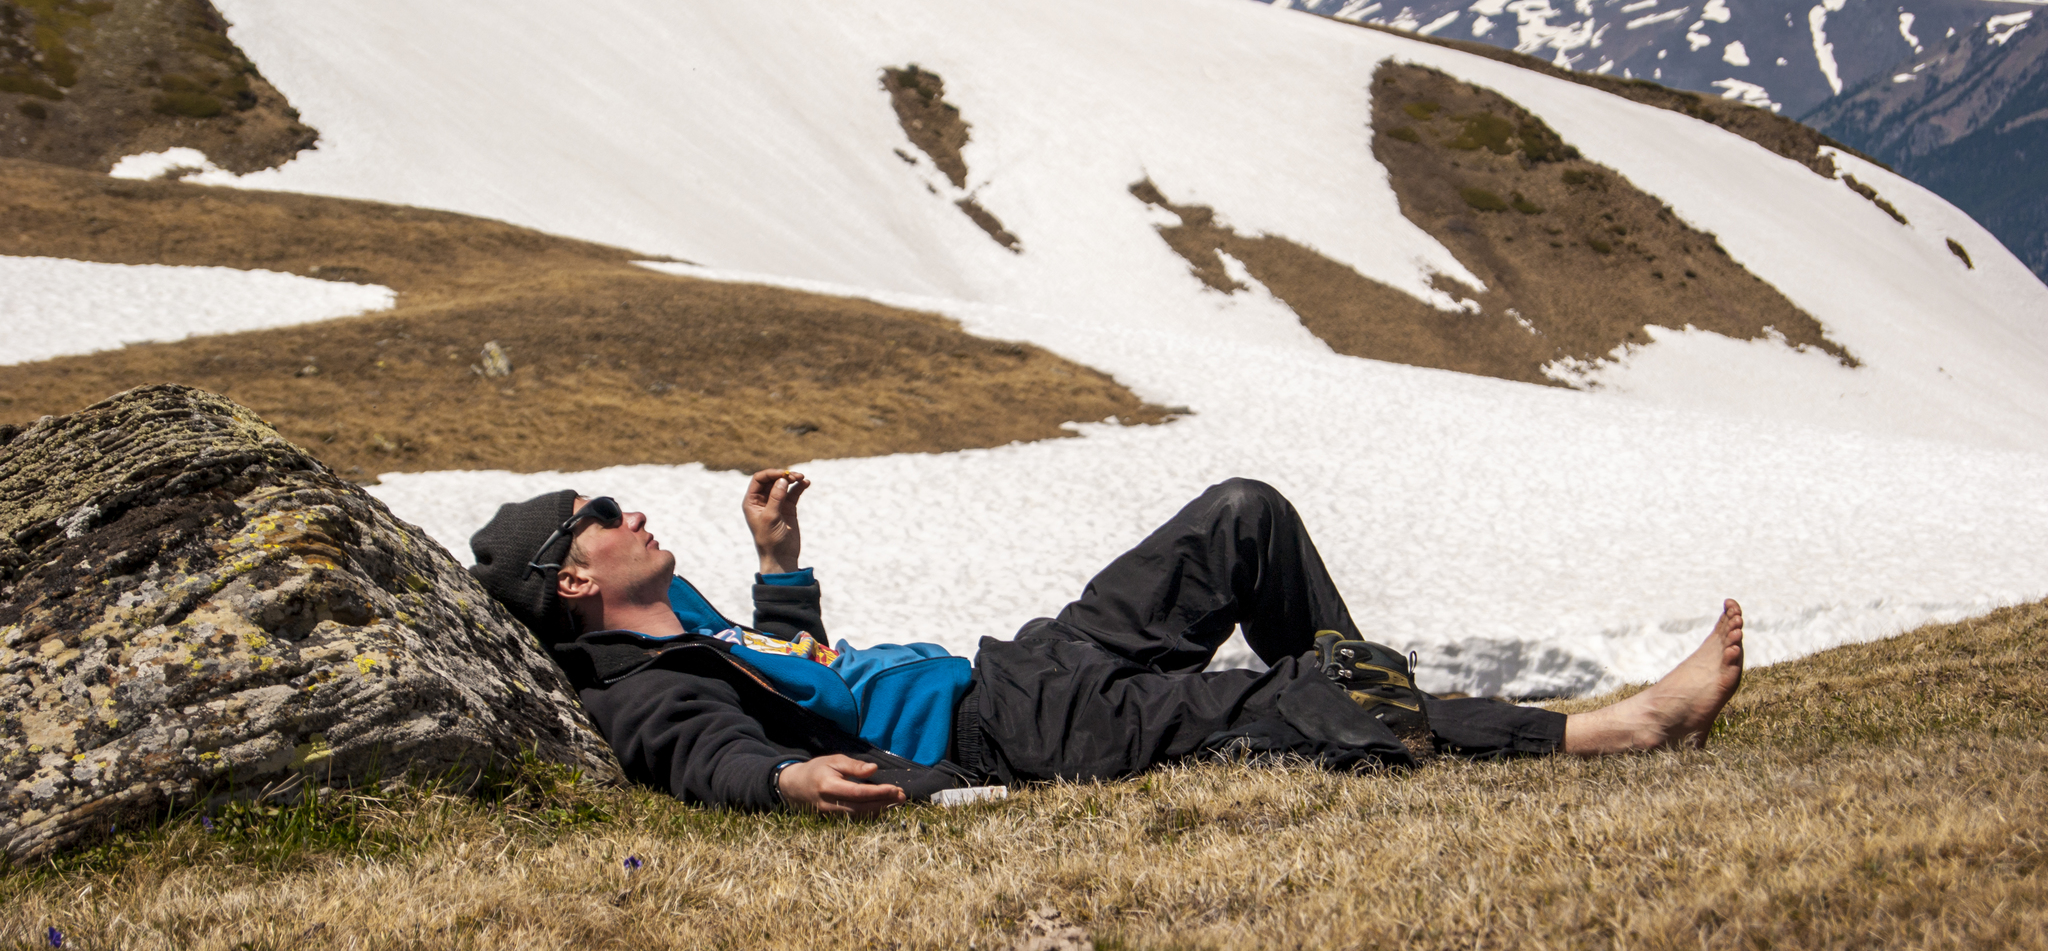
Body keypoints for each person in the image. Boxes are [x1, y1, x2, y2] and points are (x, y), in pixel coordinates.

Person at [468, 473, 1744, 817]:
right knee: (1279, 703)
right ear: (573, 575)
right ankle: (1610, 729)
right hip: (1009, 734)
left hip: (1021, 663)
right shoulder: (628, 684)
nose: (632, 514)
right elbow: (703, 754)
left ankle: (1373, 712)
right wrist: (790, 780)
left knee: (1240, 517)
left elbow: (784, 658)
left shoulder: (682, 617)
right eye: (603, 515)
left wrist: (777, 555)